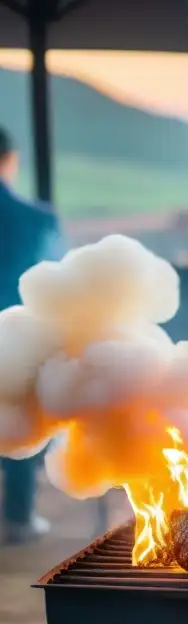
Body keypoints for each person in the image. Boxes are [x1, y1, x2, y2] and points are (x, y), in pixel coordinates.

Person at [0, 125, 62, 545]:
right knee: (19, 418)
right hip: (17, 335)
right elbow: (59, 278)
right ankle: (19, 519)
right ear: (10, 159)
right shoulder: (37, 218)